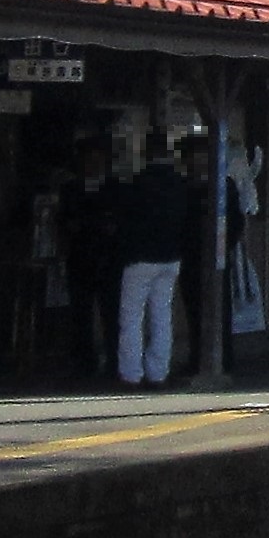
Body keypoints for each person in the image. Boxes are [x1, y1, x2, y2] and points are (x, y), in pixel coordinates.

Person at [112, 137, 200, 387]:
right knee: (162, 315)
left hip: (140, 257)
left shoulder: (137, 183)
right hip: (171, 257)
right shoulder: (180, 184)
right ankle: (158, 371)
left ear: (147, 154)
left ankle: (131, 373)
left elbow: (125, 220)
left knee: (131, 317)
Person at [58, 140, 121, 378]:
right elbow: (63, 221)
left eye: (97, 160)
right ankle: (84, 362)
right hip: (79, 257)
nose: (93, 166)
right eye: (88, 161)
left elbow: (117, 223)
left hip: (108, 259)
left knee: (110, 313)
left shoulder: (114, 187)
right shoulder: (70, 189)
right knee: (80, 313)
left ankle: (114, 361)